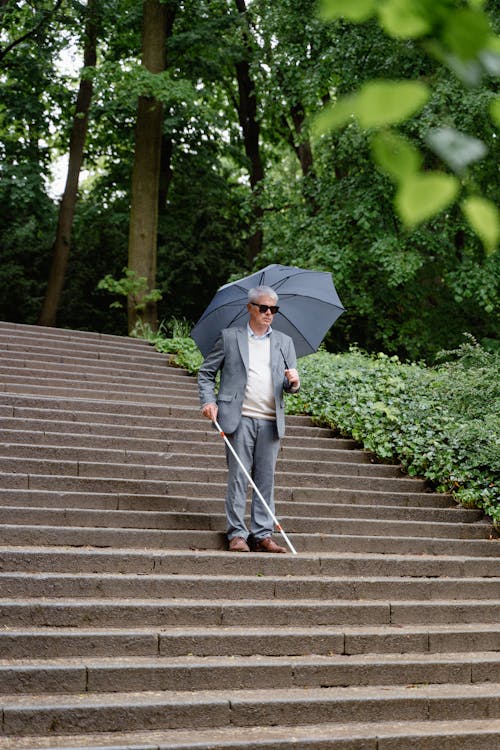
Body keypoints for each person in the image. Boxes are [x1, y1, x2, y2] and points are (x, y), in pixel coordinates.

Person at [198, 286, 300, 553]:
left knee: (265, 479)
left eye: (273, 310)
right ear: (249, 308)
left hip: (270, 420)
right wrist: (208, 401)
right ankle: (237, 534)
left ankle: (262, 534)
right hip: (238, 417)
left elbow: (288, 383)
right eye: (263, 308)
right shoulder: (229, 338)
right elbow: (206, 373)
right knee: (239, 478)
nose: (269, 313)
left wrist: (294, 383)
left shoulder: (284, 342)